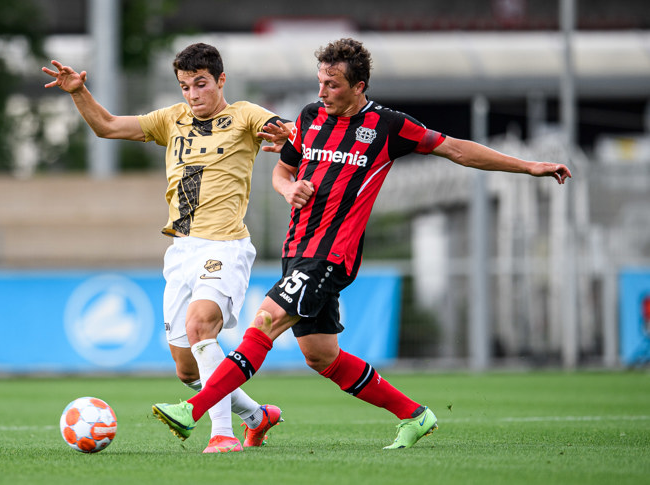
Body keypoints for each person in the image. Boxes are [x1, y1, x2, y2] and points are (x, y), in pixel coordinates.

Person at [152, 38, 573, 450]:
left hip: (332, 255)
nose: (322, 92)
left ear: (359, 87)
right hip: (296, 251)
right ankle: (415, 415)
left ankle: (195, 410)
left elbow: (455, 150)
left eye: (332, 85)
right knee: (322, 357)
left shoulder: (388, 126)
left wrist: (528, 166)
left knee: (263, 322)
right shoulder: (310, 116)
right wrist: (288, 189)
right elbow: (282, 170)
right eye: (320, 82)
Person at [42, 43, 290, 453]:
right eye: (185, 86)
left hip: (225, 245)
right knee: (187, 368)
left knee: (200, 326)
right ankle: (255, 415)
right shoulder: (171, 120)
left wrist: (286, 136)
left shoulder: (245, 114)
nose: (193, 95)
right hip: (181, 252)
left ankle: (222, 435)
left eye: (201, 84)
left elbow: (285, 130)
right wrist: (77, 92)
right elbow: (106, 126)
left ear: (220, 80)